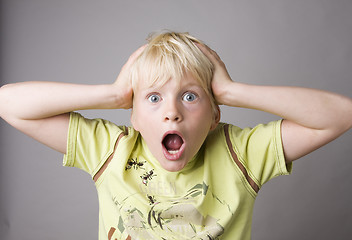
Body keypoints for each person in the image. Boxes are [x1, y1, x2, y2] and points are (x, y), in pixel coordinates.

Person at [0, 31, 351, 240]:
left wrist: (231, 90)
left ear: (215, 115)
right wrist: (111, 94)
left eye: (190, 96)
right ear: (134, 115)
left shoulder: (240, 153)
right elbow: (8, 103)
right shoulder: (112, 149)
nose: (172, 111)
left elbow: (340, 115)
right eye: (153, 98)